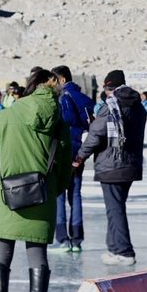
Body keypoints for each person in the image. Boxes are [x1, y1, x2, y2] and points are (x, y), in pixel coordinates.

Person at [0, 68, 72, 292]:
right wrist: (53, 190)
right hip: (41, 198)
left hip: (5, 197)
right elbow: (65, 170)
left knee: (0, 257)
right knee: (38, 257)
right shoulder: (59, 121)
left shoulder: (6, 116)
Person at [72, 70, 147, 267]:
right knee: (116, 207)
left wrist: (80, 156)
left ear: (109, 88)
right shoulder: (138, 106)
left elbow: (96, 135)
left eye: (106, 89)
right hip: (130, 164)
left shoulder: (111, 107)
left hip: (111, 164)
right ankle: (114, 247)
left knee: (115, 209)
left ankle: (124, 250)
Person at [50, 65, 93, 253]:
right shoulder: (85, 100)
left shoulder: (62, 99)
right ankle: (77, 237)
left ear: (61, 80)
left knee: (59, 195)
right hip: (80, 153)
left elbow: (65, 124)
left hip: (64, 152)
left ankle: (62, 238)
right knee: (75, 194)